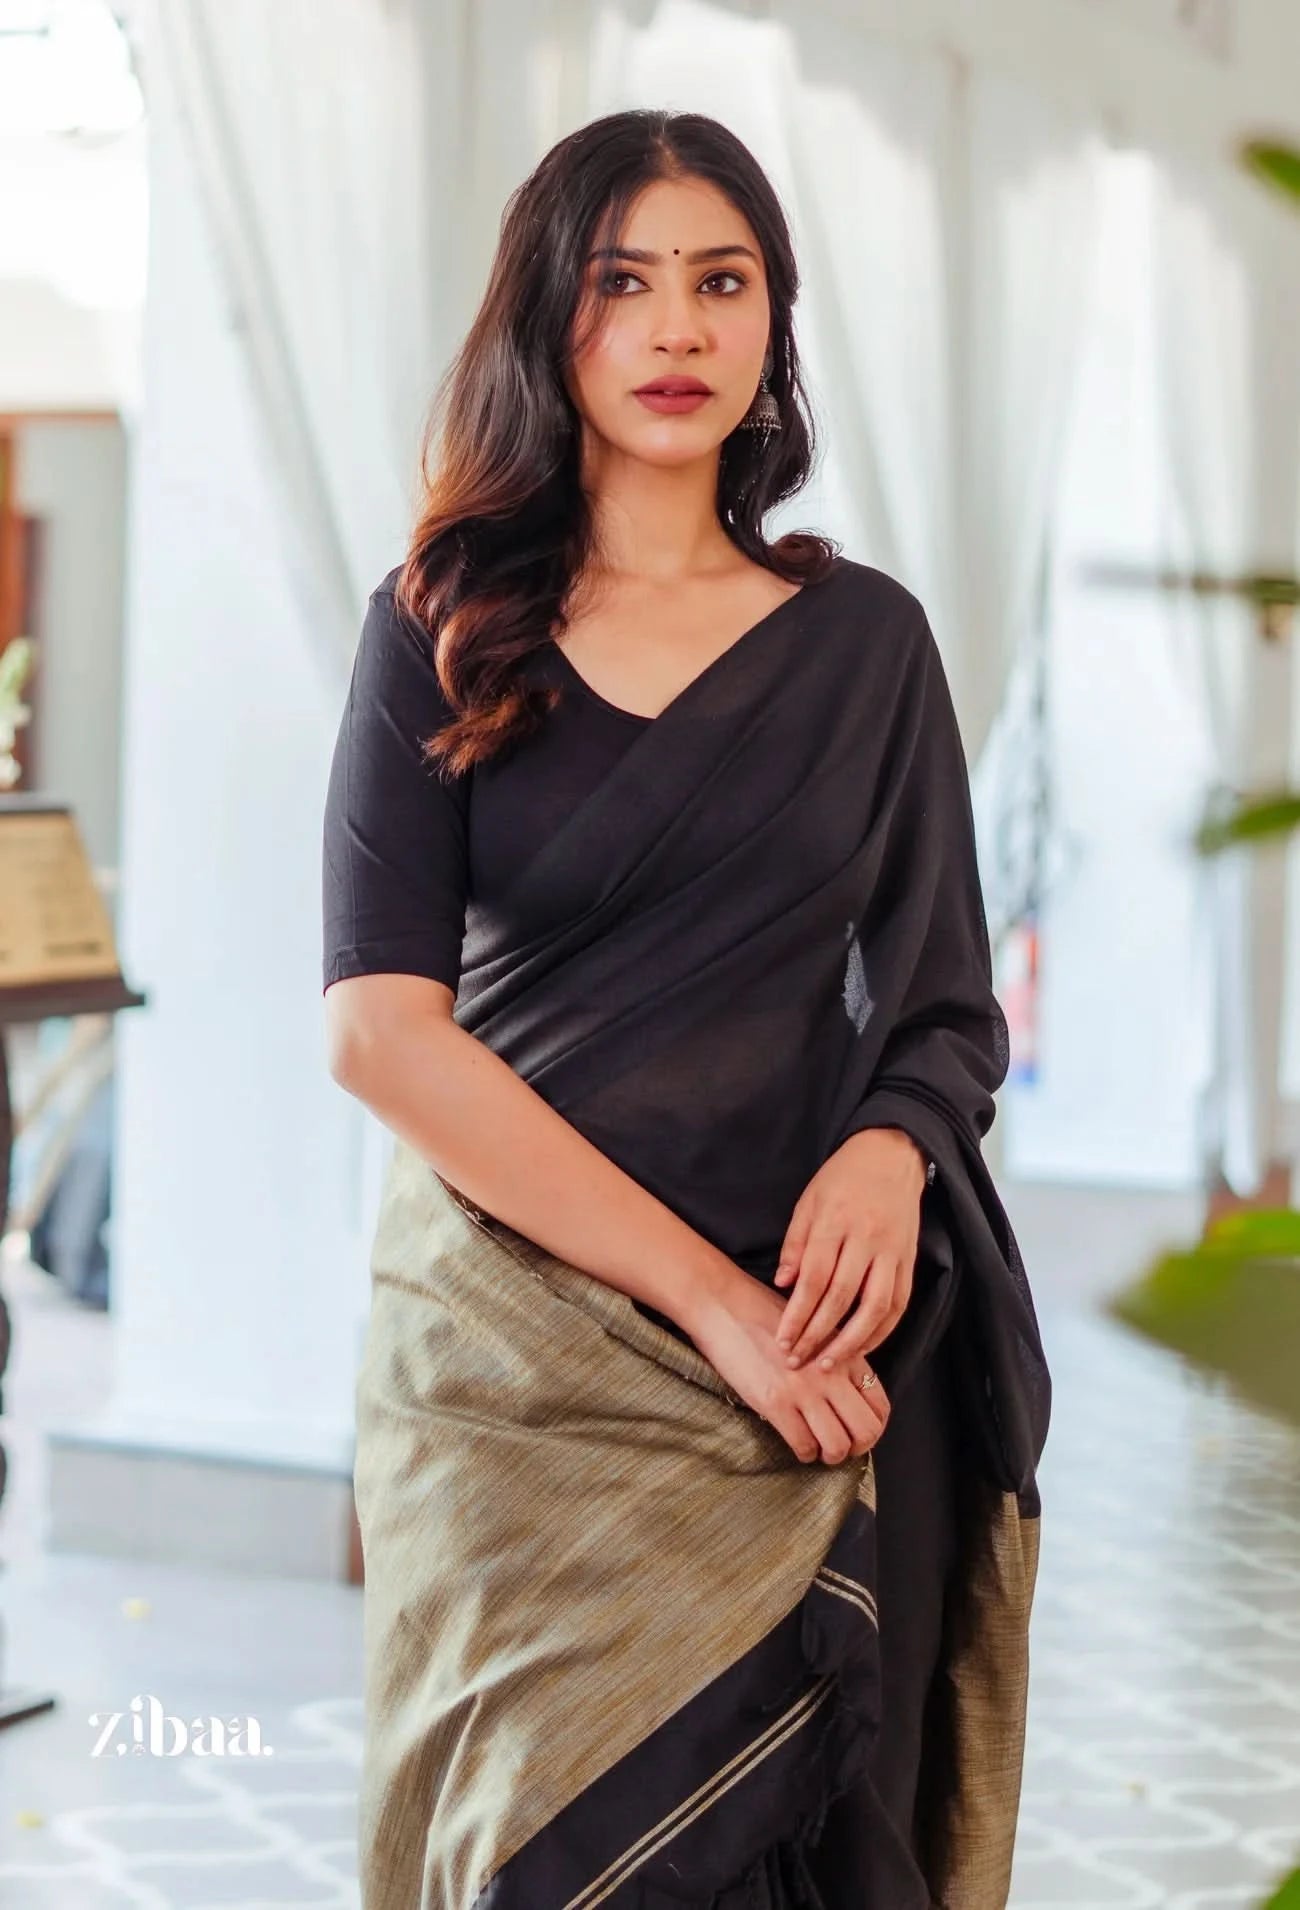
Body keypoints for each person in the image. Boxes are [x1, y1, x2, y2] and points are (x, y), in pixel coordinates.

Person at [322, 108, 1050, 1910]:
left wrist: (894, 1145)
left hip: (811, 1364)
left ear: (771, 328)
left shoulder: (864, 645)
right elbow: (380, 1030)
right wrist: (717, 1308)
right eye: (621, 282)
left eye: (721, 283)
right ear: (548, 323)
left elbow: (947, 997)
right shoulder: (441, 623)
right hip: (522, 1372)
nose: (675, 329)